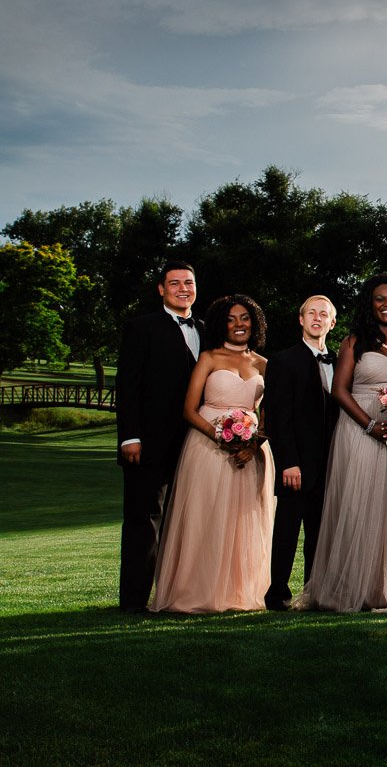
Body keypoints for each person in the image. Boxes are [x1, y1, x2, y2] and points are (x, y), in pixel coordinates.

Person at [297, 274, 387, 612]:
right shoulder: (354, 342)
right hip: (359, 430)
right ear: (369, 304)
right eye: (380, 299)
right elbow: (339, 390)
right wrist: (371, 424)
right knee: (357, 506)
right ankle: (349, 588)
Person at [150, 294, 275, 613]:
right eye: (231, 319)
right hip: (206, 447)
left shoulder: (263, 364)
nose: (238, 324)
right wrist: (220, 436)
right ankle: (196, 592)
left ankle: (237, 593)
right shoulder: (209, 357)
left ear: (254, 323)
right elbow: (189, 410)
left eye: (245, 318)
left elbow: (269, 414)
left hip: (248, 454)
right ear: (221, 323)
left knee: (241, 522)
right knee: (205, 517)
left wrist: (253, 444)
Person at [115, 260, 203, 613]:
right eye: (175, 283)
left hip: (195, 444)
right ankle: (134, 601)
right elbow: (128, 386)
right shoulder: (141, 328)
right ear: (162, 289)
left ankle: (175, 595)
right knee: (144, 521)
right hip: (148, 443)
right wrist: (129, 437)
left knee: (185, 521)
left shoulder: (207, 329)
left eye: (189, 282)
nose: (184, 288)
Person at [261, 295, 339, 611]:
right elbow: (279, 417)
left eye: (324, 314)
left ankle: (314, 592)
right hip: (297, 464)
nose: (317, 318)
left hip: (332, 463)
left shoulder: (342, 362)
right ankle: (277, 593)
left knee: (320, 535)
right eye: (311, 313)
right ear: (301, 319)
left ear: (332, 323)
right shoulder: (283, 361)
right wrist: (288, 462)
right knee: (287, 532)